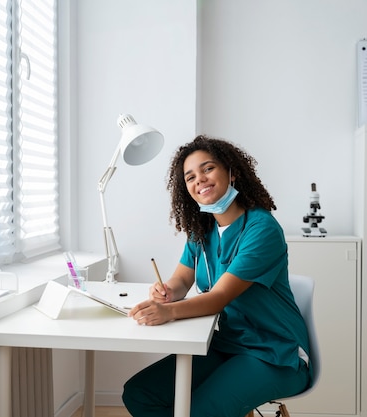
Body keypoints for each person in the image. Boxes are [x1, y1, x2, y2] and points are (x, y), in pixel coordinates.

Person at [122, 135, 312, 417]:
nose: (199, 179)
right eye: (190, 177)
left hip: (275, 354)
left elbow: (219, 297)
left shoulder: (261, 229)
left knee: (194, 411)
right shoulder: (202, 231)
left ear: (231, 173)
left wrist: (168, 312)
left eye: (207, 169)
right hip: (228, 344)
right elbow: (182, 280)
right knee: (140, 394)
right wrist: (168, 292)